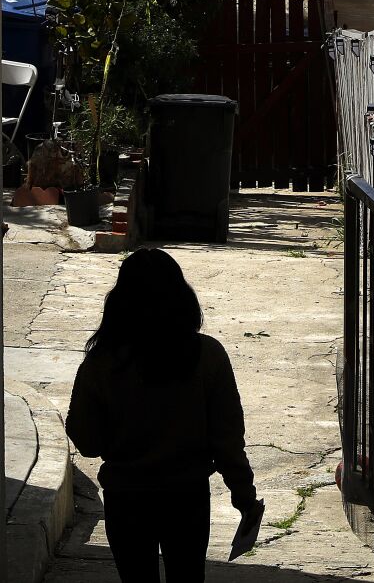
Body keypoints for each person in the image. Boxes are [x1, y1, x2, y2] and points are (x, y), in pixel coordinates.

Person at [65, 248, 263, 582]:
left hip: (126, 498)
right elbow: (227, 439)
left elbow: (86, 441)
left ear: (120, 302)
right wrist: (243, 495)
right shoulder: (208, 356)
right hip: (186, 498)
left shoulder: (101, 364)